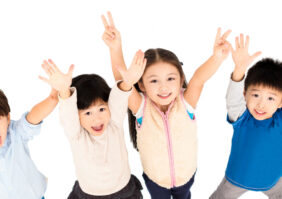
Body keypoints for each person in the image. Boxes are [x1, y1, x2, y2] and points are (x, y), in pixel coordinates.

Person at [101, 11, 231, 199]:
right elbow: (122, 80)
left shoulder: (186, 102)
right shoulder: (141, 107)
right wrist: (115, 48)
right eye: (154, 81)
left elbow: (199, 79)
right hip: (155, 179)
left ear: (181, 80)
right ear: (142, 85)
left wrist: (217, 57)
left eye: (170, 78)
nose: (163, 87)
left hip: (186, 175)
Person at [38, 55, 144, 198]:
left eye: (101, 109)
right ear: (77, 115)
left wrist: (127, 83)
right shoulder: (76, 134)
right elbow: (68, 113)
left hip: (123, 192)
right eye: (88, 113)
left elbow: (119, 99)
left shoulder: (114, 123)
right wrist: (64, 90)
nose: (97, 118)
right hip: (89, 195)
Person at [210, 34, 282, 199]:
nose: (261, 104)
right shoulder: (242, 118)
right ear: (245, 94)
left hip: (273, 181)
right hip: (236, 179)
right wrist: (239, 70)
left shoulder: (279, 119)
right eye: (256, 95)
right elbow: (233, 101)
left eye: (271, 98)